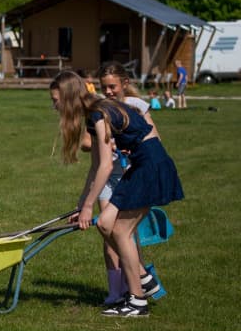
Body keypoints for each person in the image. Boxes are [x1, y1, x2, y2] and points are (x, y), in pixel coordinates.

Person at [51, 70, 183, 317]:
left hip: (150, 165)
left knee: (120, 230)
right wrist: (82, 203)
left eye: (55, 100)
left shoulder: (98, 113)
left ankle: (138, 300)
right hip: (143, 165)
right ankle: (143, 281)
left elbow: (106, 166)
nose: (54, 106)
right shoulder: (95, 113)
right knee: (106, 224)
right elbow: (95, 166)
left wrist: (89, 206)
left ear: (68, 98)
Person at [94, 62, 163, 305]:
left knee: (124, 233)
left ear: (124, 83)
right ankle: (119, 291)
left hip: (132, 175)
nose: (108, 91)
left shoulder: (136, 106)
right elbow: (88, 143)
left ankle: (138, 287)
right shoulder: (101, 109)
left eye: (112, 86)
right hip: (108, 177)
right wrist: (107, 143)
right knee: (109, 232)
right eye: (104, 87)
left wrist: (133, 149)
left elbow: (153, 139)